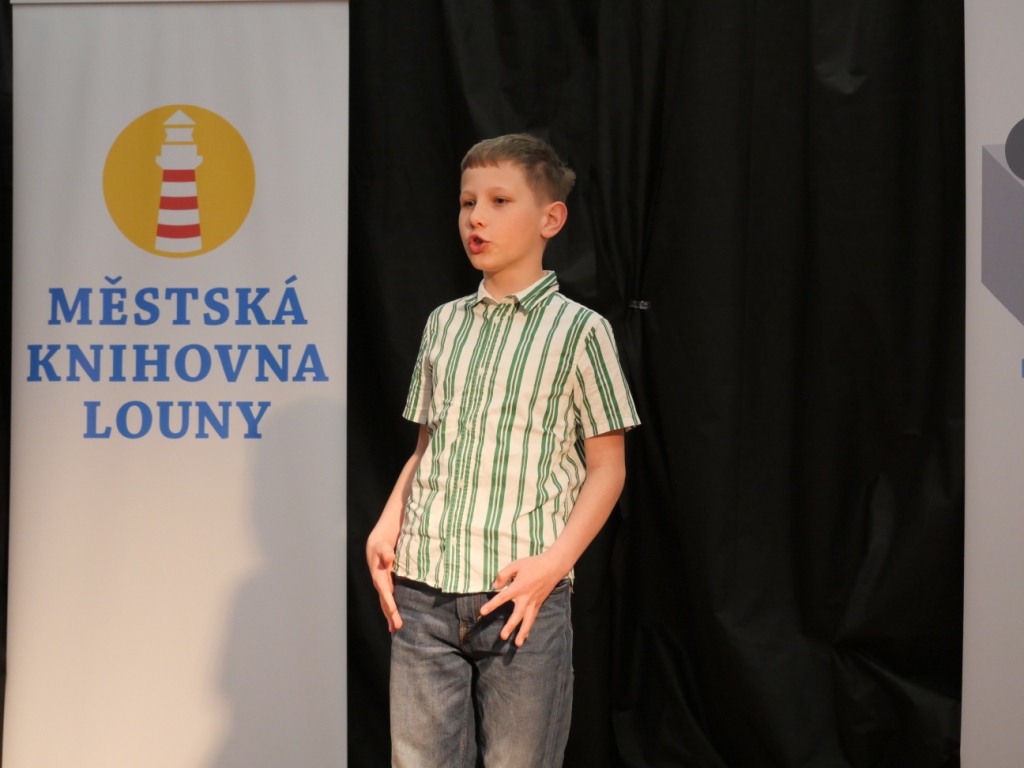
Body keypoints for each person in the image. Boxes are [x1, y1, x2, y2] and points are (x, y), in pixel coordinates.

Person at [366, 133, 640, 768]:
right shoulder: (444, 323)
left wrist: (553, 565)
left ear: (551, 219)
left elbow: (608, 468)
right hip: (423, 590)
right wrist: (389, 520)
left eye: (498, 201)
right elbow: (428, 446)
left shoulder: (581, 331)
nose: (477, 219)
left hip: (520, 596)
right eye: (467, 203)